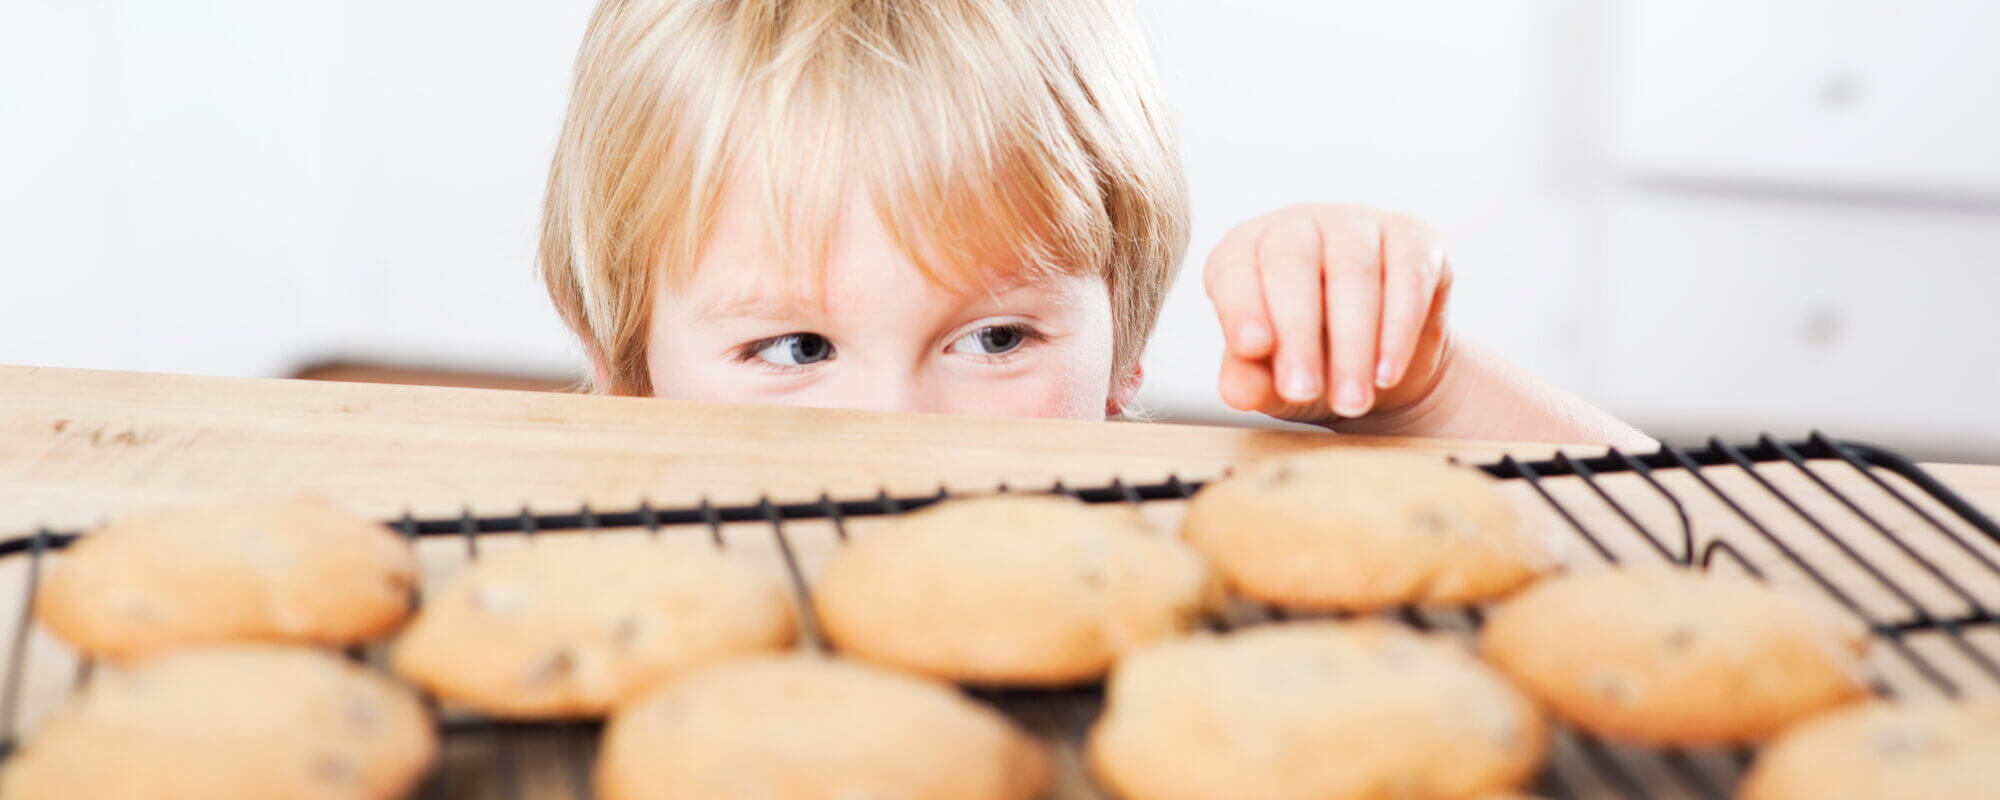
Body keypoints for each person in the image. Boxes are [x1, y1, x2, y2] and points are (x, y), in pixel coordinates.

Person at [539, 0, 1650, 448]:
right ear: (623, 363)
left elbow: (1678, 542)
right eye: (794, 347)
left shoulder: (1150, 531)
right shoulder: (591, 583)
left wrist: (1427, 392)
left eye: (996, 338)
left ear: (1120, 341)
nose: (899, 426)